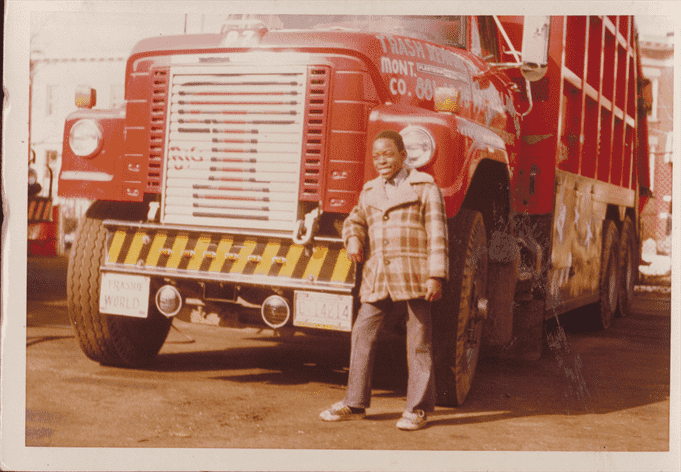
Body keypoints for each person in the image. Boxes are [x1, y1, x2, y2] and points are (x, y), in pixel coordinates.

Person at [319, 130, 448, 431]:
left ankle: (417, 409)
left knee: (419, 342)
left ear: (403, 156)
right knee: (363, 332)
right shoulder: (370, 190)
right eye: (376, 156)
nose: (382, 161)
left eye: (388, 154)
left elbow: (438, 233)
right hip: (379, 276)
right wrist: (353, 239)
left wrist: (435, 275)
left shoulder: (424, 186)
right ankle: (354, 402)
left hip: (415, 276)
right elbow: (355, 220)